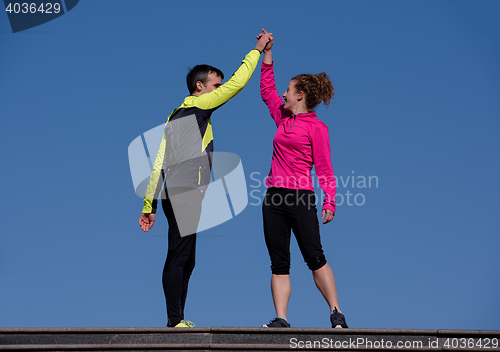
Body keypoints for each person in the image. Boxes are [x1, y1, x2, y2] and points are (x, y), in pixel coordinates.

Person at [138, 32, 273, 328]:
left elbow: (159, 160)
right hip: (184, 190)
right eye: (215, 85)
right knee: (180, 254)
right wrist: (256, 50)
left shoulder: (178, 115)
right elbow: (238, 83)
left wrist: (150, 203)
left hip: (176, 192)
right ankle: (175, 322)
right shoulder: (198, 106)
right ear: (200, 87)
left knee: (186, 257)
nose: (220, 90)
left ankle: (177, 319)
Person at [257, 29, 348, 328]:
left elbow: (324, 168)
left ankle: (336, 313)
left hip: (301, 197)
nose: (282, 94)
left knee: (314, 255)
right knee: (279, 262)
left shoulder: (316, 128)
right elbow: (266, 89)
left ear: (300, 95)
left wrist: (330, 200)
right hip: (274, 198)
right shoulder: (282, 117)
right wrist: (267, 53)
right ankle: (281, 319)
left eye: (288, 90)